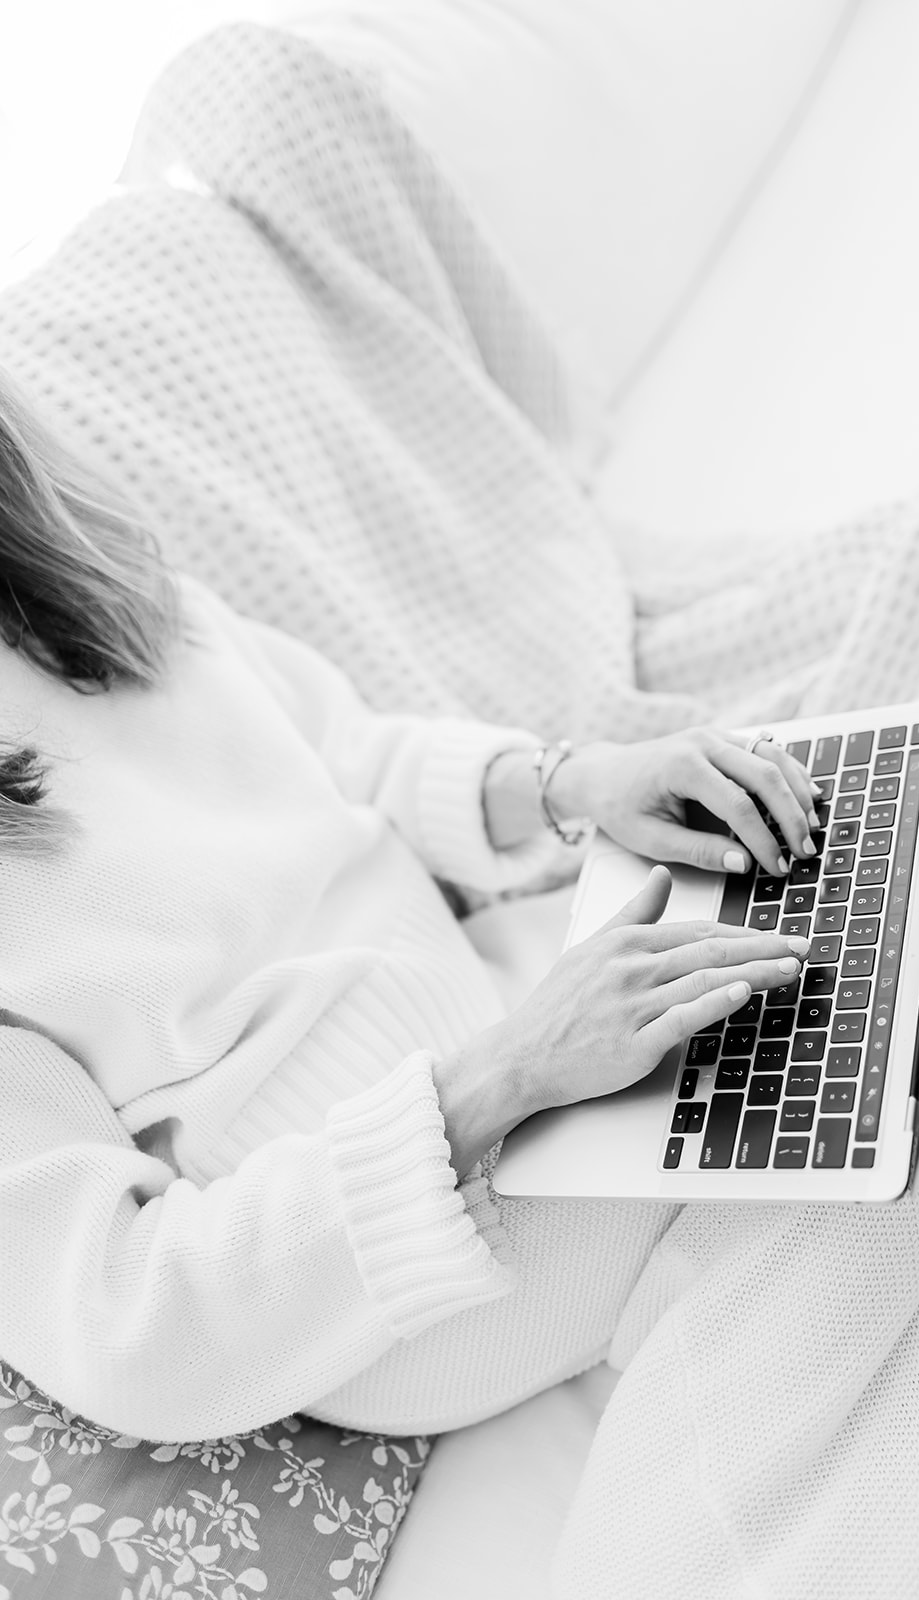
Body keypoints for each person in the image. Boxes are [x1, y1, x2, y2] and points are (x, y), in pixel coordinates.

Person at [0, 370, 818, 1443]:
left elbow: (347, 756)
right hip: (433, 1278)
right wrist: (504, 1073)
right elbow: (135, 1327)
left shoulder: (85, 591)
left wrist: (577, 781)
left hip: (516, 1013)